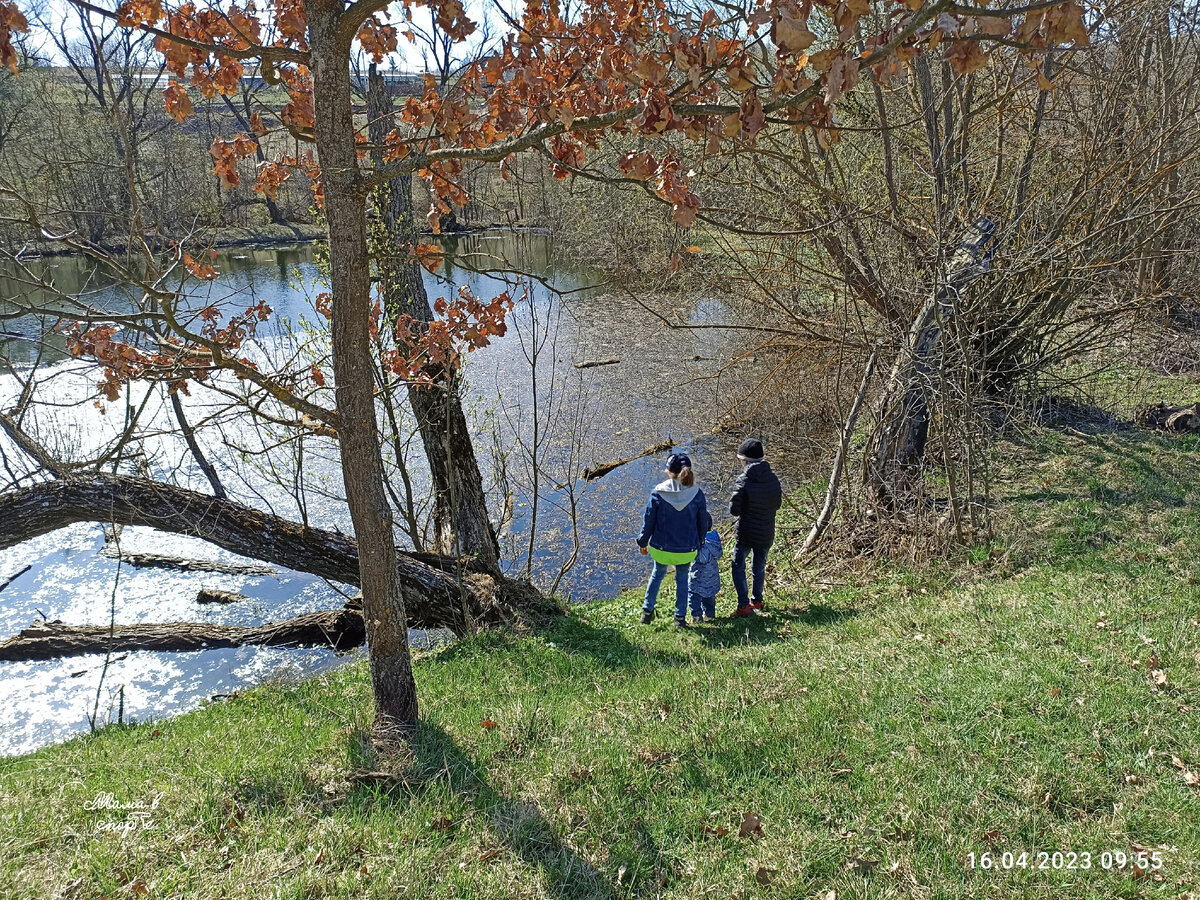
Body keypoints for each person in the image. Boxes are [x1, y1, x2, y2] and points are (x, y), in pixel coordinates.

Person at [636, 453, 710, 628]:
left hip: (660, 549)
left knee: (657, 574)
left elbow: (648, 522)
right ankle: (679, 618)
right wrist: (699, 542)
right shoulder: (697, 493)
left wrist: (642, 542)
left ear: (669, 472)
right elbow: (703, 523)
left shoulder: (657, 492)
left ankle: (647, 612)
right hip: (687, 550)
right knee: (682, 580)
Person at [728, 438, 782, 617]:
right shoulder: (773, 479)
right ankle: (757, 600)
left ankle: (743, 606)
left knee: (738, 565)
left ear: (746, 460)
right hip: (766, 532)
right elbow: (777, 504)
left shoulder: (743, 480)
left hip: (746, 533)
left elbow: (734, 510)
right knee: (759, 566)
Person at [688, 528, 723, 623]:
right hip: (712, 577)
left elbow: (702, 558)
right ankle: (710, 615)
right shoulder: (714, 539)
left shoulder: (702, 542)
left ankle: (697, 616)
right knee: (709, 596)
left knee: (693, 595)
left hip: (699, 578)